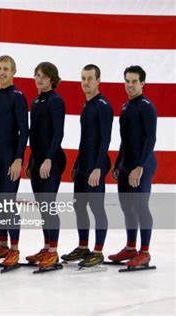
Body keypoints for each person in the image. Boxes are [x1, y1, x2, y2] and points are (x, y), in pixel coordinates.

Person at [61, 64, 113, 268]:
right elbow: (85, 140)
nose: (86, 82)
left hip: (96, 165)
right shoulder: (86, 105)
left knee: (97, 207)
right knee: (79, 205)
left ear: (98, 80)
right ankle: (83, 247)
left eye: (90, 78)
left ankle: (98, 251)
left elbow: (105, 140)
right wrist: (76, 164)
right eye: (83, 78)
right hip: (83, 165)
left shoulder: (103, 105)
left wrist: (99, 168)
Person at [0, 56, 29, 267]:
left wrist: (18, 159)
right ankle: (2, 245)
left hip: (10, 160)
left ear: (13, 71)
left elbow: (24, 130)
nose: (2, 72)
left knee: (8, 204)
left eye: (6, 69)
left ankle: (15, 249)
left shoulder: (18, 96)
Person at [109, 65, 157, 268]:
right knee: (127, 207)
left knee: (140, 206)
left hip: (142, 164)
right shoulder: (126, 106)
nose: (130, 85)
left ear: (143, 83)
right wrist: (119, 163)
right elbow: (125, 139)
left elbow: (150, 138)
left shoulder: (146, 106)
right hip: (126, 164)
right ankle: (130, 249)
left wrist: (140, 166)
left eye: (134, 81)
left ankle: (144, 252)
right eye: (127, 81)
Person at [25, 62, 66, 269]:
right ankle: (46, 246)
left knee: (49, 206)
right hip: (37, 160)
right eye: (36, 75)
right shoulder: (36, 101)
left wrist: (49, 158)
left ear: (51, 79)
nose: (38, 79)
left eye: (42, 76)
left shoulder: (56, 101)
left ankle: (53, 251)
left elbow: (58, 133)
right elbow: (34, 135)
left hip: (53, 160)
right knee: (42, 207)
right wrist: (32, 160)